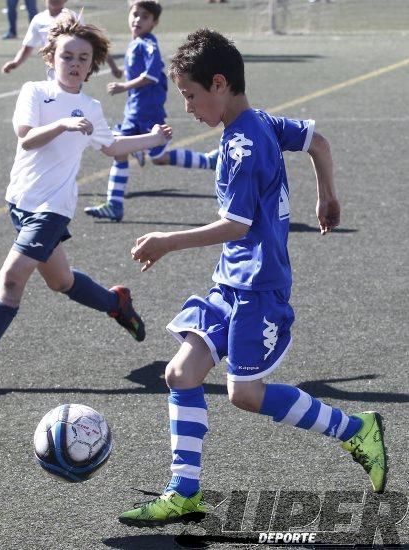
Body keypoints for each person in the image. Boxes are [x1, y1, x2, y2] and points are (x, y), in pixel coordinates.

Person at [119, 28, 388, 527]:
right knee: (181, 373)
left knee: (244, 395)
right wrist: (326, 194)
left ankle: (356, 429)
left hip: (258, 288)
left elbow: (236, 225)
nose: (188, 107)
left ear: (219, 84)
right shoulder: (259, 121)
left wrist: (165, 241)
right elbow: (318, 140)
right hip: (230, 281)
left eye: (191, 95)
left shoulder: (243, 144)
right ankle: (183, 492)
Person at [0, 15, 172, 386]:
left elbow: (113, 147)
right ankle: (116, 304)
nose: (75, 64)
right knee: (61, 281)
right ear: (51, 57)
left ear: (92, 66)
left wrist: (151, 139)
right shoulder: (34, 93)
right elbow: (26, 137)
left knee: (11, 279)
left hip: (52, 209)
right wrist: (64, 124)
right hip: (21, 202)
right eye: (67, 56)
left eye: (83, 58)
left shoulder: (91, 107)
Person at [84, 0, 218, 223]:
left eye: (145, 16)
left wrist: (123, 86)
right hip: (136, 110)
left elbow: (152, 75)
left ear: (154, 22)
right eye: (135, 14)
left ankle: (208, 162)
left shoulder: (148, 45)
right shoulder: (136, 43)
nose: (138, 19)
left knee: (141, 153)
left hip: (146, 112)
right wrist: (118, 71)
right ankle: (115, 204)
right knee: (141, 154)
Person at [1, 1, 123, 78]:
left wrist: (113, 67)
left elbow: (92, 41)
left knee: (68, 99)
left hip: (72, 67)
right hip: (52, 68)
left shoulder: (71, 17)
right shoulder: (38, 19)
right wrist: (15, 63)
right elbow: (27, 47)